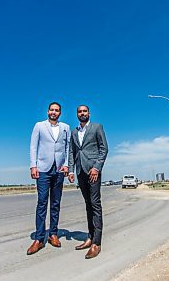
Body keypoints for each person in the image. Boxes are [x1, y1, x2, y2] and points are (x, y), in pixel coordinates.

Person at [27, 102, 71, 255]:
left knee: (56, 203)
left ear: (60, 113)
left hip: (59, 169)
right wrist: (33, 166)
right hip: (43, 169)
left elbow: (67, 148)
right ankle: (39, 238)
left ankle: (53, 234)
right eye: (52, 110)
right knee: (42, 202)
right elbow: (33, 146)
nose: (54, 112)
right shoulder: (39, 126)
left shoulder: (65, 127)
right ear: (47, 111)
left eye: (57, 110)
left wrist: (66, 166)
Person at [68, 105, 108, 259]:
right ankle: (90, 237)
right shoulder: (74, 132)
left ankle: (96, 243)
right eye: (79, 111)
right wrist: (71, 170)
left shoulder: (97, 127)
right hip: (80, 172)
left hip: (93, 172)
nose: (82, 113)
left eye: (84, 111)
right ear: (77, 114)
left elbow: (104, 149)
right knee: (88, 205)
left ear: (89, 113)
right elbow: (72, 152)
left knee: (95, 204)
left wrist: (97, 168)